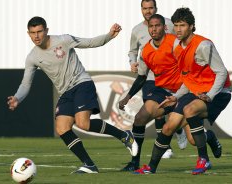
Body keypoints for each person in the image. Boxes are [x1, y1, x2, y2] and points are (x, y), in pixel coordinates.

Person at [7, 16, 138, 174]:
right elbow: (26, 84)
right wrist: (17, 98)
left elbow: (89, 43)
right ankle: (89, 165)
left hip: (82, 83)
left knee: (83, 124)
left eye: (40, 31)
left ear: (46, 31)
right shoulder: (32, 57)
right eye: (33, 32)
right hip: (65, 92)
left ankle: (124, 135)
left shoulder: (64, 40)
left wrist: (109, 35)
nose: (36, 36)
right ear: (28, 33)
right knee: (62, 128)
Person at [134, 7, 231, 175]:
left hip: (218, 92)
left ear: (192, 26)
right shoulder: (177, 47)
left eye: (183, 25)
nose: (178, 29)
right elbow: (188, 77)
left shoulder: (203, 45)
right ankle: (151, 167)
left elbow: (221, 72)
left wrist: (210, 95)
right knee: (168, 127)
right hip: (195, 92)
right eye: (176, 25)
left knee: (189, 110)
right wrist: (175, 96)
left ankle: (203, 160)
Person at [121, 0, 188, 171]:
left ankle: (191, 135)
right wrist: (128, 95)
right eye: (145, 8)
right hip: (155, 82)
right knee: (141, 117)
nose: (148, 11)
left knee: (193, 138)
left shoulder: (172, 33)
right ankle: (135, 162)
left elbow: (186, 46)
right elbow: (134, 56)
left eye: (151, 7)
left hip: (179, 86)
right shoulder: (140, 37)